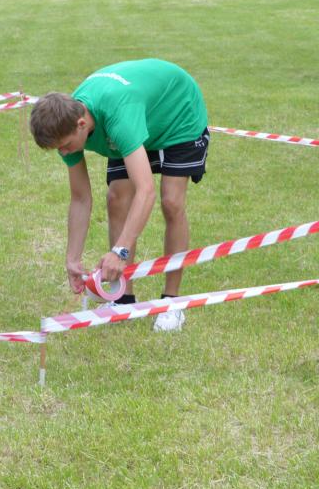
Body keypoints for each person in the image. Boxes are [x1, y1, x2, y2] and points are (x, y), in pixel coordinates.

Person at [29, 59, 209, 332]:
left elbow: (145, 191)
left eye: (65, 146)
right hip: (137, 115)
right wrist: (72, 259)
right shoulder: (66, 126)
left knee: (171, 202)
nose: (63, 153)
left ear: (81, 124)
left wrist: (120, 251)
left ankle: (172, 302)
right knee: (116, 199)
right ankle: (123, 300)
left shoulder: (118, 118)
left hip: (177, 113)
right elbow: (80, 198)